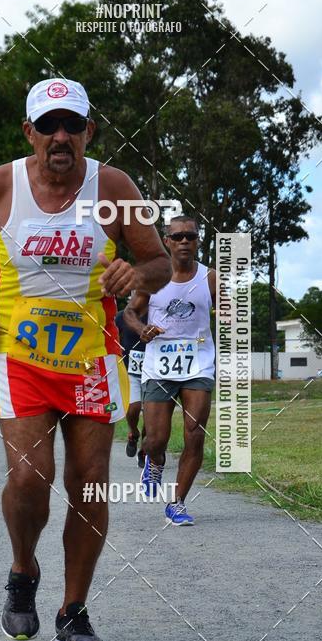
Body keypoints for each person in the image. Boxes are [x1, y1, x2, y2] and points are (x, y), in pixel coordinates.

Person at [0, 78, 171, 641]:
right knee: (31, 478)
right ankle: (23, 570)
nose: (60, 136)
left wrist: (136, 274)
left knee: (90, 479)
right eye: (48, 125)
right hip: (19, 354)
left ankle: (74, 610)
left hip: (92, 358)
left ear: (88, 132)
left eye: (72, 125)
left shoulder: (114, 186)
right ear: (29, 132)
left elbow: (157, 261)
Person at [124, 215, 216, 525]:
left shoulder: (210, 278)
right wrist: (141, 329)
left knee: (194, 434)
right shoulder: (153, 279)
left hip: (198, 363)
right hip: (159, 365)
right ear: (167, 241)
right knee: (156, 440)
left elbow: (230, 313)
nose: (184, 241)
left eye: (190, 236)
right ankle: (154, 461)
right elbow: (130, 312)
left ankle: (177, 503)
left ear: (198, 240)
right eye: (177, 237)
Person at [114, 306, 147, 468]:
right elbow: (113, 337)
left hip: (154, 373)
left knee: (152, 415)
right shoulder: (121, 316)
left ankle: (145, 450)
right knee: (133, 409)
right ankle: (134, 433)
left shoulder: (159, 314)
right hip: (131, 372)